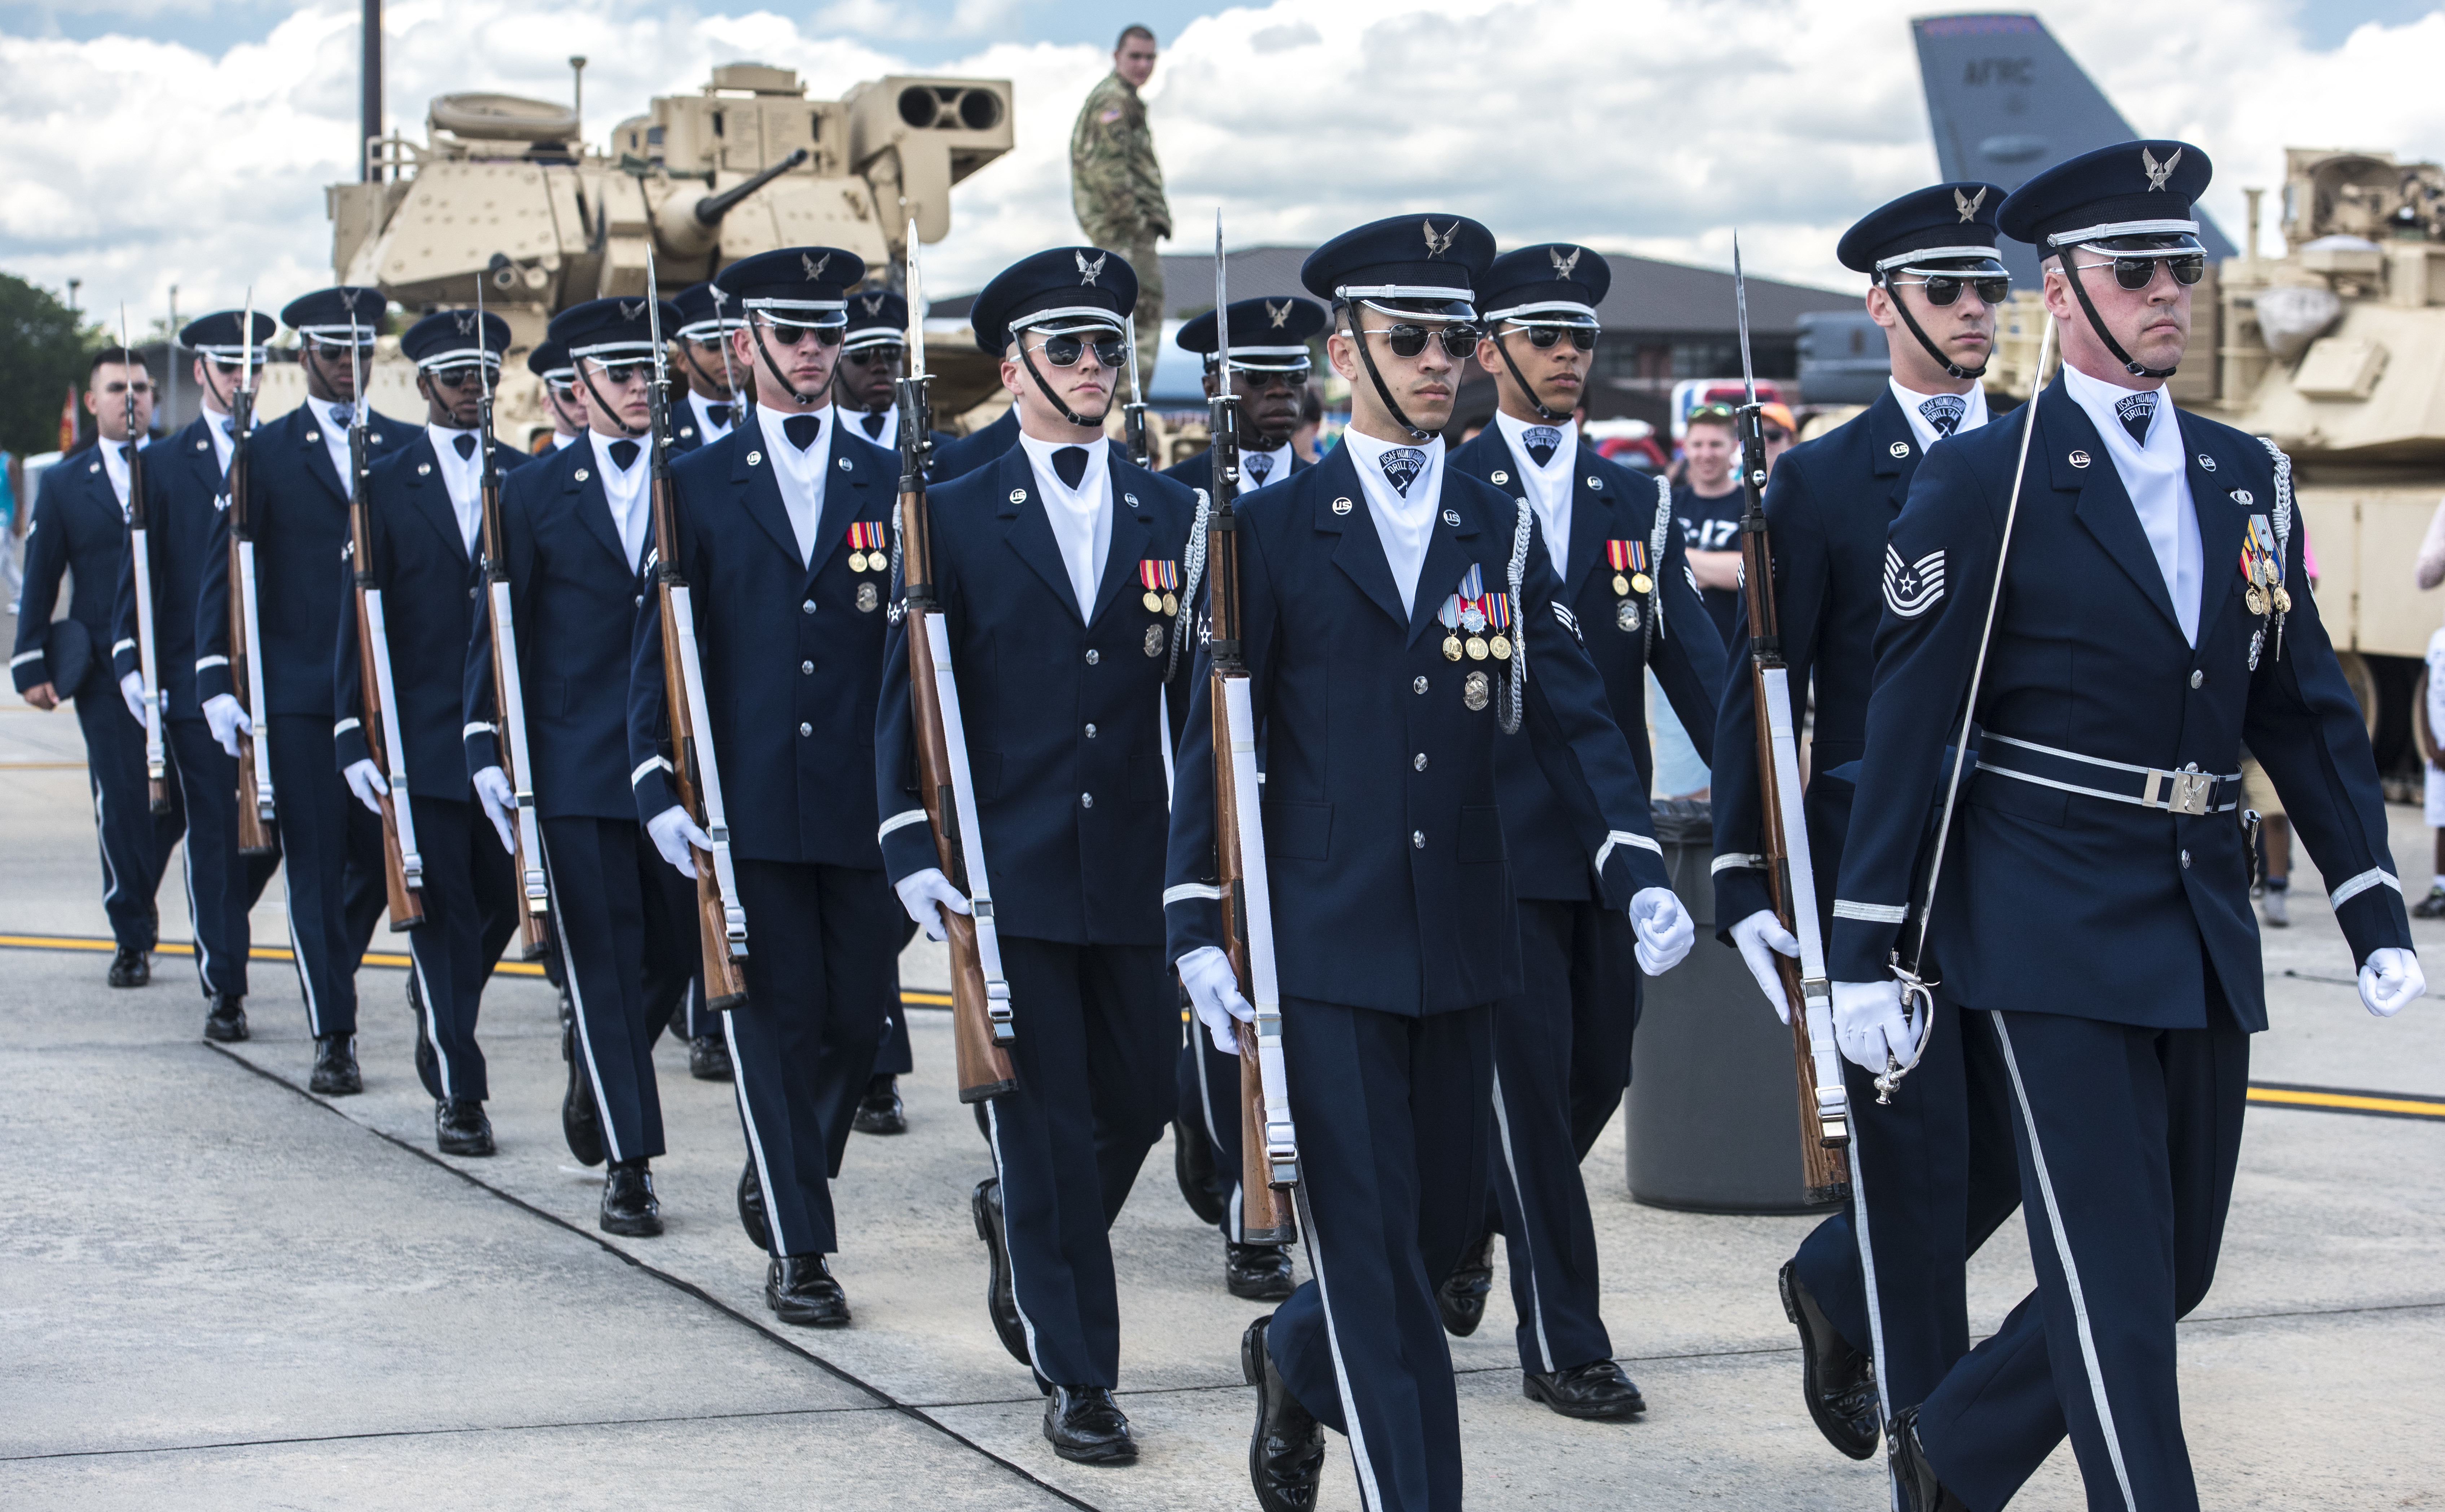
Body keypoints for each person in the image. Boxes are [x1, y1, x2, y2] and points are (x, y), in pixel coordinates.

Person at [1828, 142, 2422, 1512]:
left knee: (2179, 1264)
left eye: (2183, 268)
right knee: (2109, 1269)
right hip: (2042, 914)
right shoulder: (1985, 480)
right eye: (2135, 270)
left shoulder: (2246, 475)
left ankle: (1956, 1449)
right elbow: (1910, 727)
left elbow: (2305, 708)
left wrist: (2371, 899)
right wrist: (1864, 947)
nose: (2170, 293)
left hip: (2199, 908)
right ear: (2062, 290)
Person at [1166, 215, 1696, 1512]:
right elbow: (1213, 742)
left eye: (1454, 339)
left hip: (1470, 943)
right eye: (1408, 339)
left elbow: (1571, 710)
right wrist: (1196, 916)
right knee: (1395, 1300)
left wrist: (1632, 862)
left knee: (1434, 1237)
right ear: (1344, 350)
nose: (1438, 362)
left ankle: (1297, 1360)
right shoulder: (1269, 529)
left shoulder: (1493, 523)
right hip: (1332, 947)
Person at [1708, 183, 2023, 1467]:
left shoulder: (2044, 457)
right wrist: (1739, 865)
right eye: (1944, 291)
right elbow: (1759, 678)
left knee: (2009, 1150)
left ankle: (1837, 1283)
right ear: (1881, 304)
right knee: (1915, 1158)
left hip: (2030, 855)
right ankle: (1933, 1450)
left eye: (1987, 289)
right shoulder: (1826, 480)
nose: (1972, 313)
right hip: (1875, 870)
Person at [876, 246, 1199, 1464]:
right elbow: (899, 695)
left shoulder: (1175, 511)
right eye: (1064, 349)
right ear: (1011, 369)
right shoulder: (950, 508)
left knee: (1136, 1104)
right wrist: (909, 836)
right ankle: (1080, 1377)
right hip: (1002, 873)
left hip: (1131, 868)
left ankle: (1022, 1226)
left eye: (1104, 347)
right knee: (1049, 1124)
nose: (1090, 368)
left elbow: (1189, 710)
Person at [1441, 243, 1726, 1420]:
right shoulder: (1446, 488)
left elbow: (1696, 670)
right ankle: (1565, 1341)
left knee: (1594, 1069)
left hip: (1607, 864)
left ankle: (1461, 1218)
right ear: (1491, 350)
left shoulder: (1635, 501)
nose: (1568, 358)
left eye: (1581, 341)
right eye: (1544, 338)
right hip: (1490, 848)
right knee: (1526, 1097)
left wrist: (1775, 789)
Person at [631, 245, 905, 1326]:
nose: (809, 355)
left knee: (854, 1021)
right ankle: (801, 1245)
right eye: (790, 337)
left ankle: (785, 1158)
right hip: (746, 807)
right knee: (774, 1021)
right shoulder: (693, 485)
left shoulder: (894, 482)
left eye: (825, 337)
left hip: (862, 804)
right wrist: (659, 778)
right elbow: (657, 641)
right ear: (745, 347)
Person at [465, 293, 694, 1236]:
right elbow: (498, 631)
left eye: (653, 372)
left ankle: (595, 1076)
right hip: (577, 766)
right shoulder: (529, 493)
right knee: (602, 961)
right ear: (581, 388)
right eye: (623, 376)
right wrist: (485, 739)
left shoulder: (700, 480)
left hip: (679, 769)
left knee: (673, 958)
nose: (644, 389)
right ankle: (631, 1166)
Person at [198, 287, 413, 1094]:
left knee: (375, 860)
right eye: (333, 352)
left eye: (363, 352)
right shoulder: (263, 450)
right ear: (303, 358)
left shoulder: (401, 446)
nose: (349, 366)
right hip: (298, 694)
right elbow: (226, 569)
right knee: (317, 866)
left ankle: (333, 964)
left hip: (383, 691)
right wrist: (217, 676)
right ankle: (335, 1029)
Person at [1155, 292, 1325, 1303]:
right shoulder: (1165, 504)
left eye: (1290, 377)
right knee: (1223, 1006)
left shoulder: (1323, 498)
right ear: (1214, 389)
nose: (1280, 395)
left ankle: (1255, 1165)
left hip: (1301, 797)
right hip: (1193, 791)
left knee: (1292, 1003)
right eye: (1258, 379)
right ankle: (1246, 1210)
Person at [331, 309, 530, 1156]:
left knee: (494, 903)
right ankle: (461, 1087)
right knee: (443, 912)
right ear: (421, 386)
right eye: (457, 378)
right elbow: (361, 619)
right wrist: (350, 728)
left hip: (506, 736)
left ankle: (442, 1004)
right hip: (420, 738)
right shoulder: (381, 481)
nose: (474, 392)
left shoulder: (526, 476)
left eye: (486, 376)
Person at [114, 311, 286, 1039]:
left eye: (253, 366)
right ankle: (226, 982)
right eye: (228, 367)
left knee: (272, 836)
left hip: (276, 682)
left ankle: (220, 921)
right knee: (216, 830)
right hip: (190, 680)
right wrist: (130, 660)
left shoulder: (280, 454)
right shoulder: (160, 464)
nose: (241, 380)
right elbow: (139, 581)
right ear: (201, 372)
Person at [12, 347, 183, 988]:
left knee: (183, 803)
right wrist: (30, 661)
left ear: (155, 399)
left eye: (141, 388)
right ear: (93, 402)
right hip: (101, 670)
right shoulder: (64, 481)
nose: (131, 398)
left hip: (178, 659)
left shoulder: (179, 470)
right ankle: (132, 933)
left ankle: (139, 888)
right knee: (120, 803)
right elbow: (42, 574)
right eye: (117, 388)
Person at [828, 284, 934, 1137]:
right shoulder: (819, 459)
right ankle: (870, 1063)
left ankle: (868, 1048)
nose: (879, 374)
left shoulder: (931, 455)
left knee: (891, 907)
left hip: (905, 718)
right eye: (865, 359)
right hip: (830, 715)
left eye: (890, 360)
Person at [1070, 25, 1169, 388]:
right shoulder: (1114, 100)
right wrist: (1134, 221)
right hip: (1125, 230)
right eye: (1135, 56)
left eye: (1149, 57)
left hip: (1123, 228)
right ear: (1117, 57)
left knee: (1131, 313)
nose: (1143, 65)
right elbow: (1109, 169)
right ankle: (1129, 402)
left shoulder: (1121, 98)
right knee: (1139, 317)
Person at [1672, 404, 1746, 643]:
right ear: (1685, 448)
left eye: (1716, 445)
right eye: (1698, 445)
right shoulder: (1666, 502)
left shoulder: (1752, 506)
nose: (1706, 454)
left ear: (1733, 447)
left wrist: (1676, 558)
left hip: (1731, 646)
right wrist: (1714, 569)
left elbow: (1747, 572)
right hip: (1674, 646)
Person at [668, 282, 746, 452]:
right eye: (713, 344)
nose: (730, 353)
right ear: (682, 360)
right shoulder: (661, 429)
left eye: (739, 343)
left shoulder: (772, 423)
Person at [530, 339, 588, 450]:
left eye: (588, 392)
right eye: (569, 394)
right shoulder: (539, 466)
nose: (582, 402)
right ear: (548, 404)